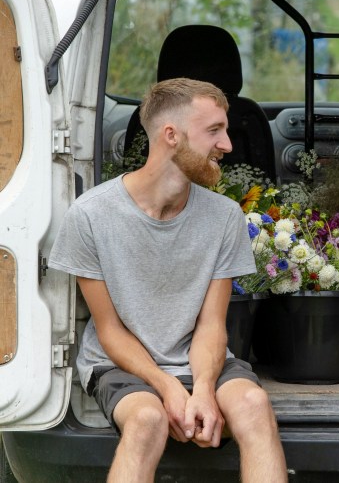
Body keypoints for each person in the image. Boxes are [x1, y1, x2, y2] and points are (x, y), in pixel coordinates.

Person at [49, 78, 287, 483]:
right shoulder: (90, 217)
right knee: (147, 420)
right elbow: (109, 331)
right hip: (119, 363)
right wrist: (169, 388)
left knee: (252, 404)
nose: (227, 144)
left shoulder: (225, 217)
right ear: (171, 135)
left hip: (203, 362)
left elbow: (212, 325)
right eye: (214, 131)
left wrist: (205, 391)